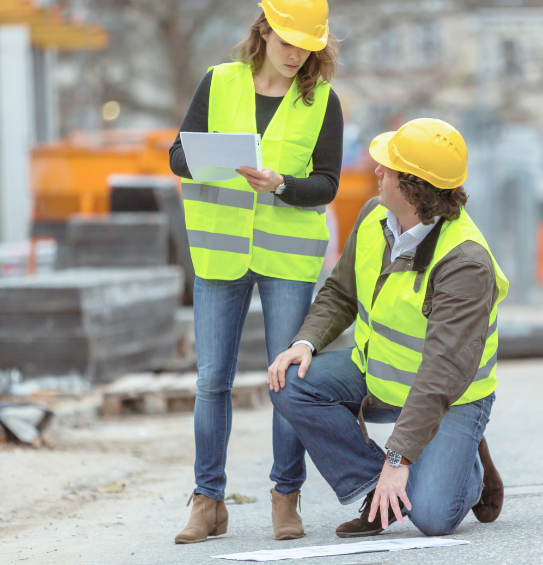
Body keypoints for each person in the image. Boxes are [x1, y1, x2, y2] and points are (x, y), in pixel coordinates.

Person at [268, 118, 509, 537]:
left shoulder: (464, 262)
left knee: (433, 517)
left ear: (414, 186)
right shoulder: (373, 215)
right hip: (378, 374)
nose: (377, 170)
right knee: (291, 381)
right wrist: (305, 343)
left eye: (389, 167)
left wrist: (398, 459)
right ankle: (373, 491)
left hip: (449, 398)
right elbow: (340, 293)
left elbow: (441, 375)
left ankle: (464, 461)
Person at [168, 0, 343, 544]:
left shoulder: (322, 102)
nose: (296, 55)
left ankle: (285, 497)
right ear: (263, 32)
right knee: (211, 381)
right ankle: (207, 501)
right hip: (221, 255)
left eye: (307, 46)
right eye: (288, 42)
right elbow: (177, 156)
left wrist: (282, 185)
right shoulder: (218, 83)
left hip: (286, 259)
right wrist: (216, 161)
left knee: (286, 382)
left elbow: (329, 183)